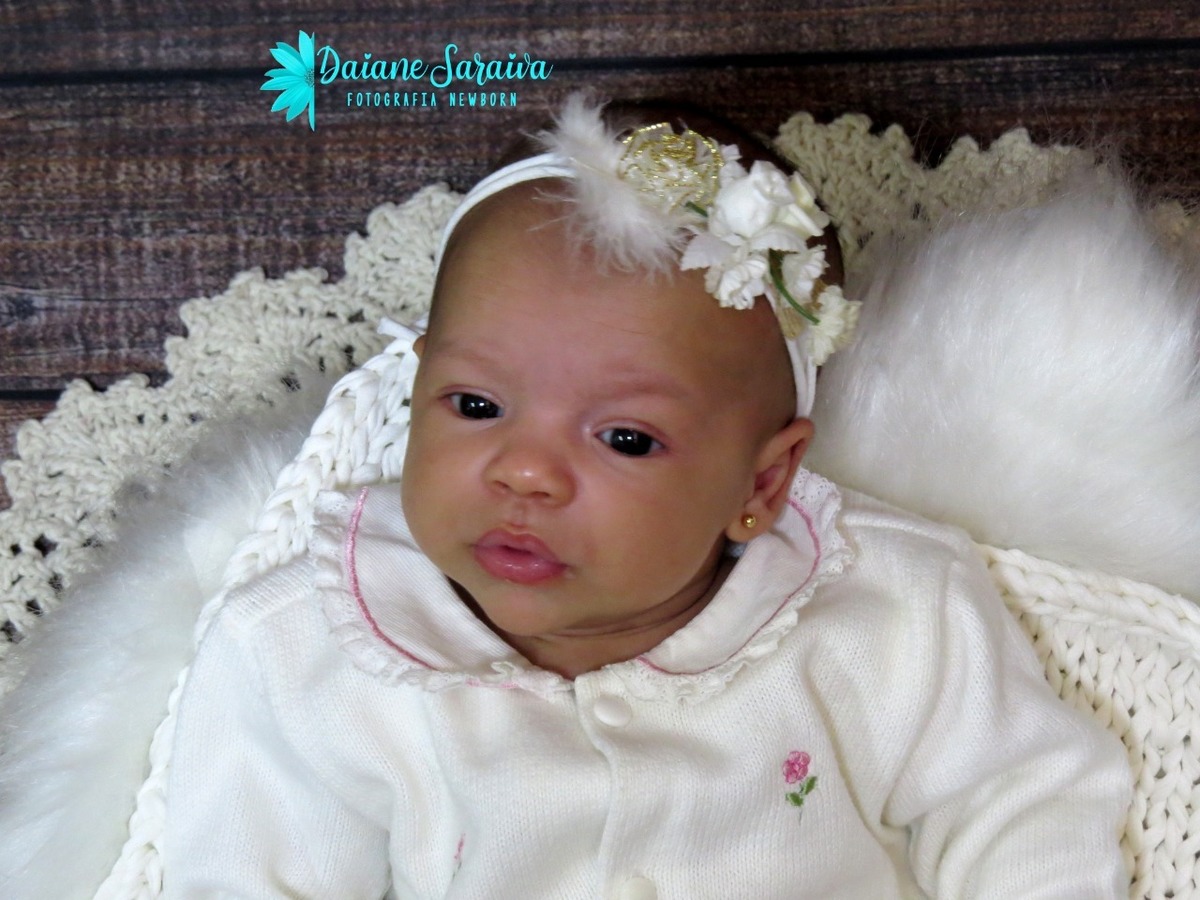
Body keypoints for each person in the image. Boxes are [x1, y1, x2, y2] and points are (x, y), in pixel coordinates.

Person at [162, 95, 1132, 898]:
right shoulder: (309, 651)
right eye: (475, 405)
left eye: (625, 438)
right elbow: (245, 872)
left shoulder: (887, 614)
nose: (524, 471)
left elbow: (1023, 802)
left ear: (761, 481)